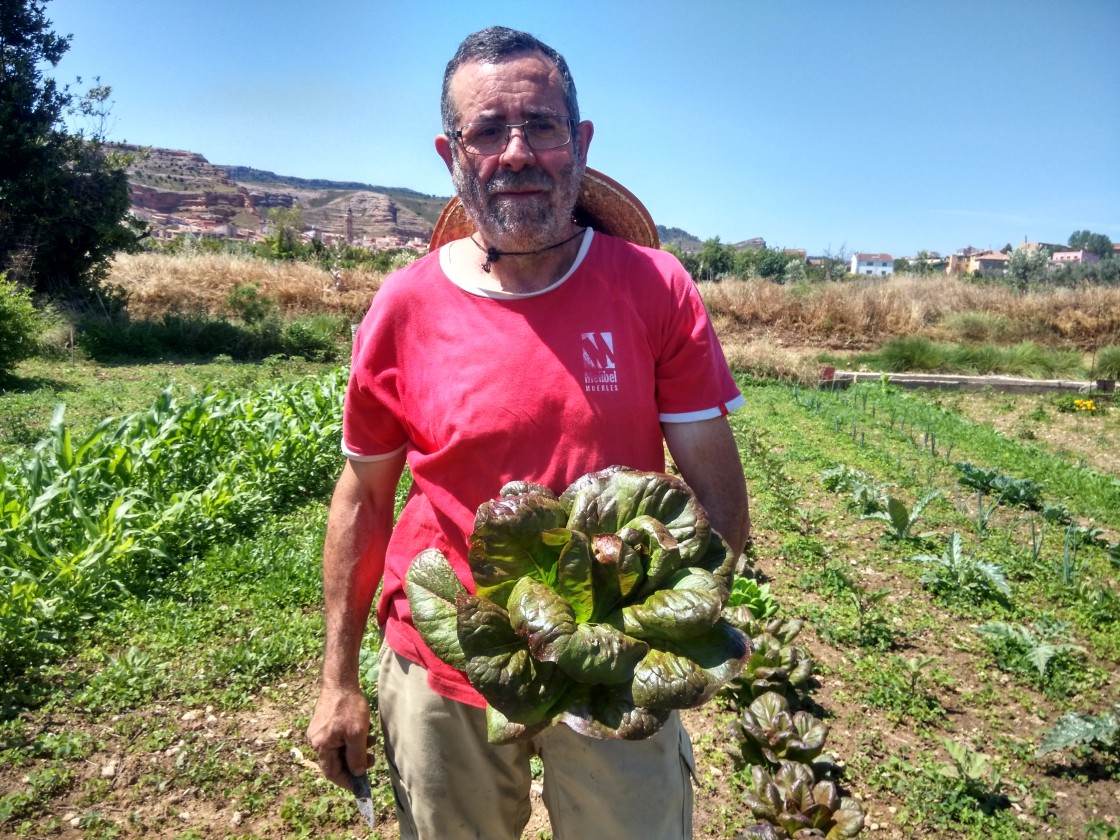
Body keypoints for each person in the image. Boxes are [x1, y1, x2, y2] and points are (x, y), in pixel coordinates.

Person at [306, 25, 750, 840]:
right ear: (452, 154)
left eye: (541, 125)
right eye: (486, 131)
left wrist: (667, 641)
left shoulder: (655, 288)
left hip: (614, 667)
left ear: (578, 142)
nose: (515, 152)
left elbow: (717, 495)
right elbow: (364, 498)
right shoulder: (403, 306)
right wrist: (337, 679)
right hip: (444, 665)